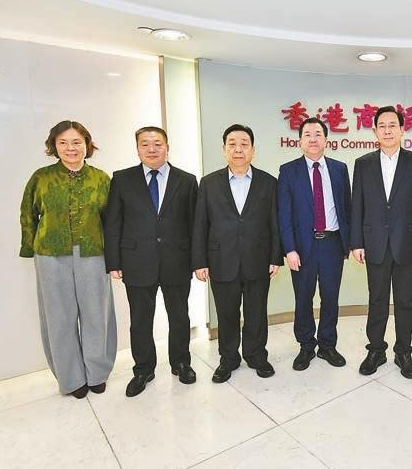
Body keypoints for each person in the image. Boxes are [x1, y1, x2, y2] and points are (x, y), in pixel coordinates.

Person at [19, 120, 116, 398]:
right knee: (59, 317)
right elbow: (27, 214)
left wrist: (114, 256)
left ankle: (97, 373)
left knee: (97, 313)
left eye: (76, 142)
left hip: (93, 252)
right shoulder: (41, 178)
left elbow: (111, 220)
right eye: (63, 142)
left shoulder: (101, 179)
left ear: (87, 145)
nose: (70, 148)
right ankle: (71, 379)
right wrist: (29, 247)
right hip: (51, 255)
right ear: (54, 146)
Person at [104, 126, 198, 397]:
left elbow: (195, 225)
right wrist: (113, 261)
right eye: (145, 144)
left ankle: (181, 362)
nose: (152, 148)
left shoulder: (187, 180)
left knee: (179, 316)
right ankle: (143, 369)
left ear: (168, 147)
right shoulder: (122, 179)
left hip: (177, 260)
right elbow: (113, 222)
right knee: (140, 320)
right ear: (137, 149)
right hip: (136, 261)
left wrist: (197, 261)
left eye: (157, 143)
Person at [192, 124, 282, 382]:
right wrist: (199, 261)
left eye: (244, 144)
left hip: (258, 258)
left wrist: (275, 257)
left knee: (256, 312)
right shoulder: (209, 183)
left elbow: (274, 223)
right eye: (232, 144)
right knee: (227, 314)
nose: (238, 149)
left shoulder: (268, 182)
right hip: (221, 260)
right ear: (224, 149)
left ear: (253, 150)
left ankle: (256, 356)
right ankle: (228, 359)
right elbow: (200, 224)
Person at [351, 106, 412, 379]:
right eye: (382, 126)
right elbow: (357, 205)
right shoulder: (363, 164)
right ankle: (376, 350)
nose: (387, 131)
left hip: (408, 245)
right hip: (374, 243)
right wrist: (356, 242)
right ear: (375, 131)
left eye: (392, 126)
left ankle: (403, 351)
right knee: (377, 300)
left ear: (402, 129)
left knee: (406, 301)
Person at [277, 118, 351, 371]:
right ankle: (306, 345)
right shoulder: (288, 171)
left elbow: (347, 208)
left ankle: (327, 345)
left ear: (326, 139)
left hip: (332, 244)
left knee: (330, 297)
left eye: (318, 134)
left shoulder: (340, 169)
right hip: (302, 247)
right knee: (303, 298)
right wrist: (289, 249)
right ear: (300, 140)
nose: (313, 139)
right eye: (307, 134)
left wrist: (347, 244)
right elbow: (284, 214)